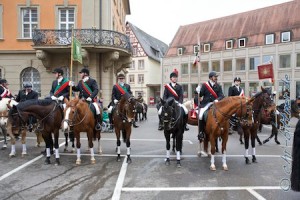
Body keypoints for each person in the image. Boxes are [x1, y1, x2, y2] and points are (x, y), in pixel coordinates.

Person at [196, 71, 224, 139]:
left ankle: (221, 130)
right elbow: (201, 94)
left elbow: (221, 95)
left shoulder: (218, 86)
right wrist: (198, 91)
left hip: (215, 104)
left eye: (216, 77)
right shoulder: (205, 85)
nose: (216, 78)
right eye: (215, 77)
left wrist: (217, 99)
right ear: (211, 77)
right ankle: (201, 132)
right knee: (200, 116)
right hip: (205, 104)